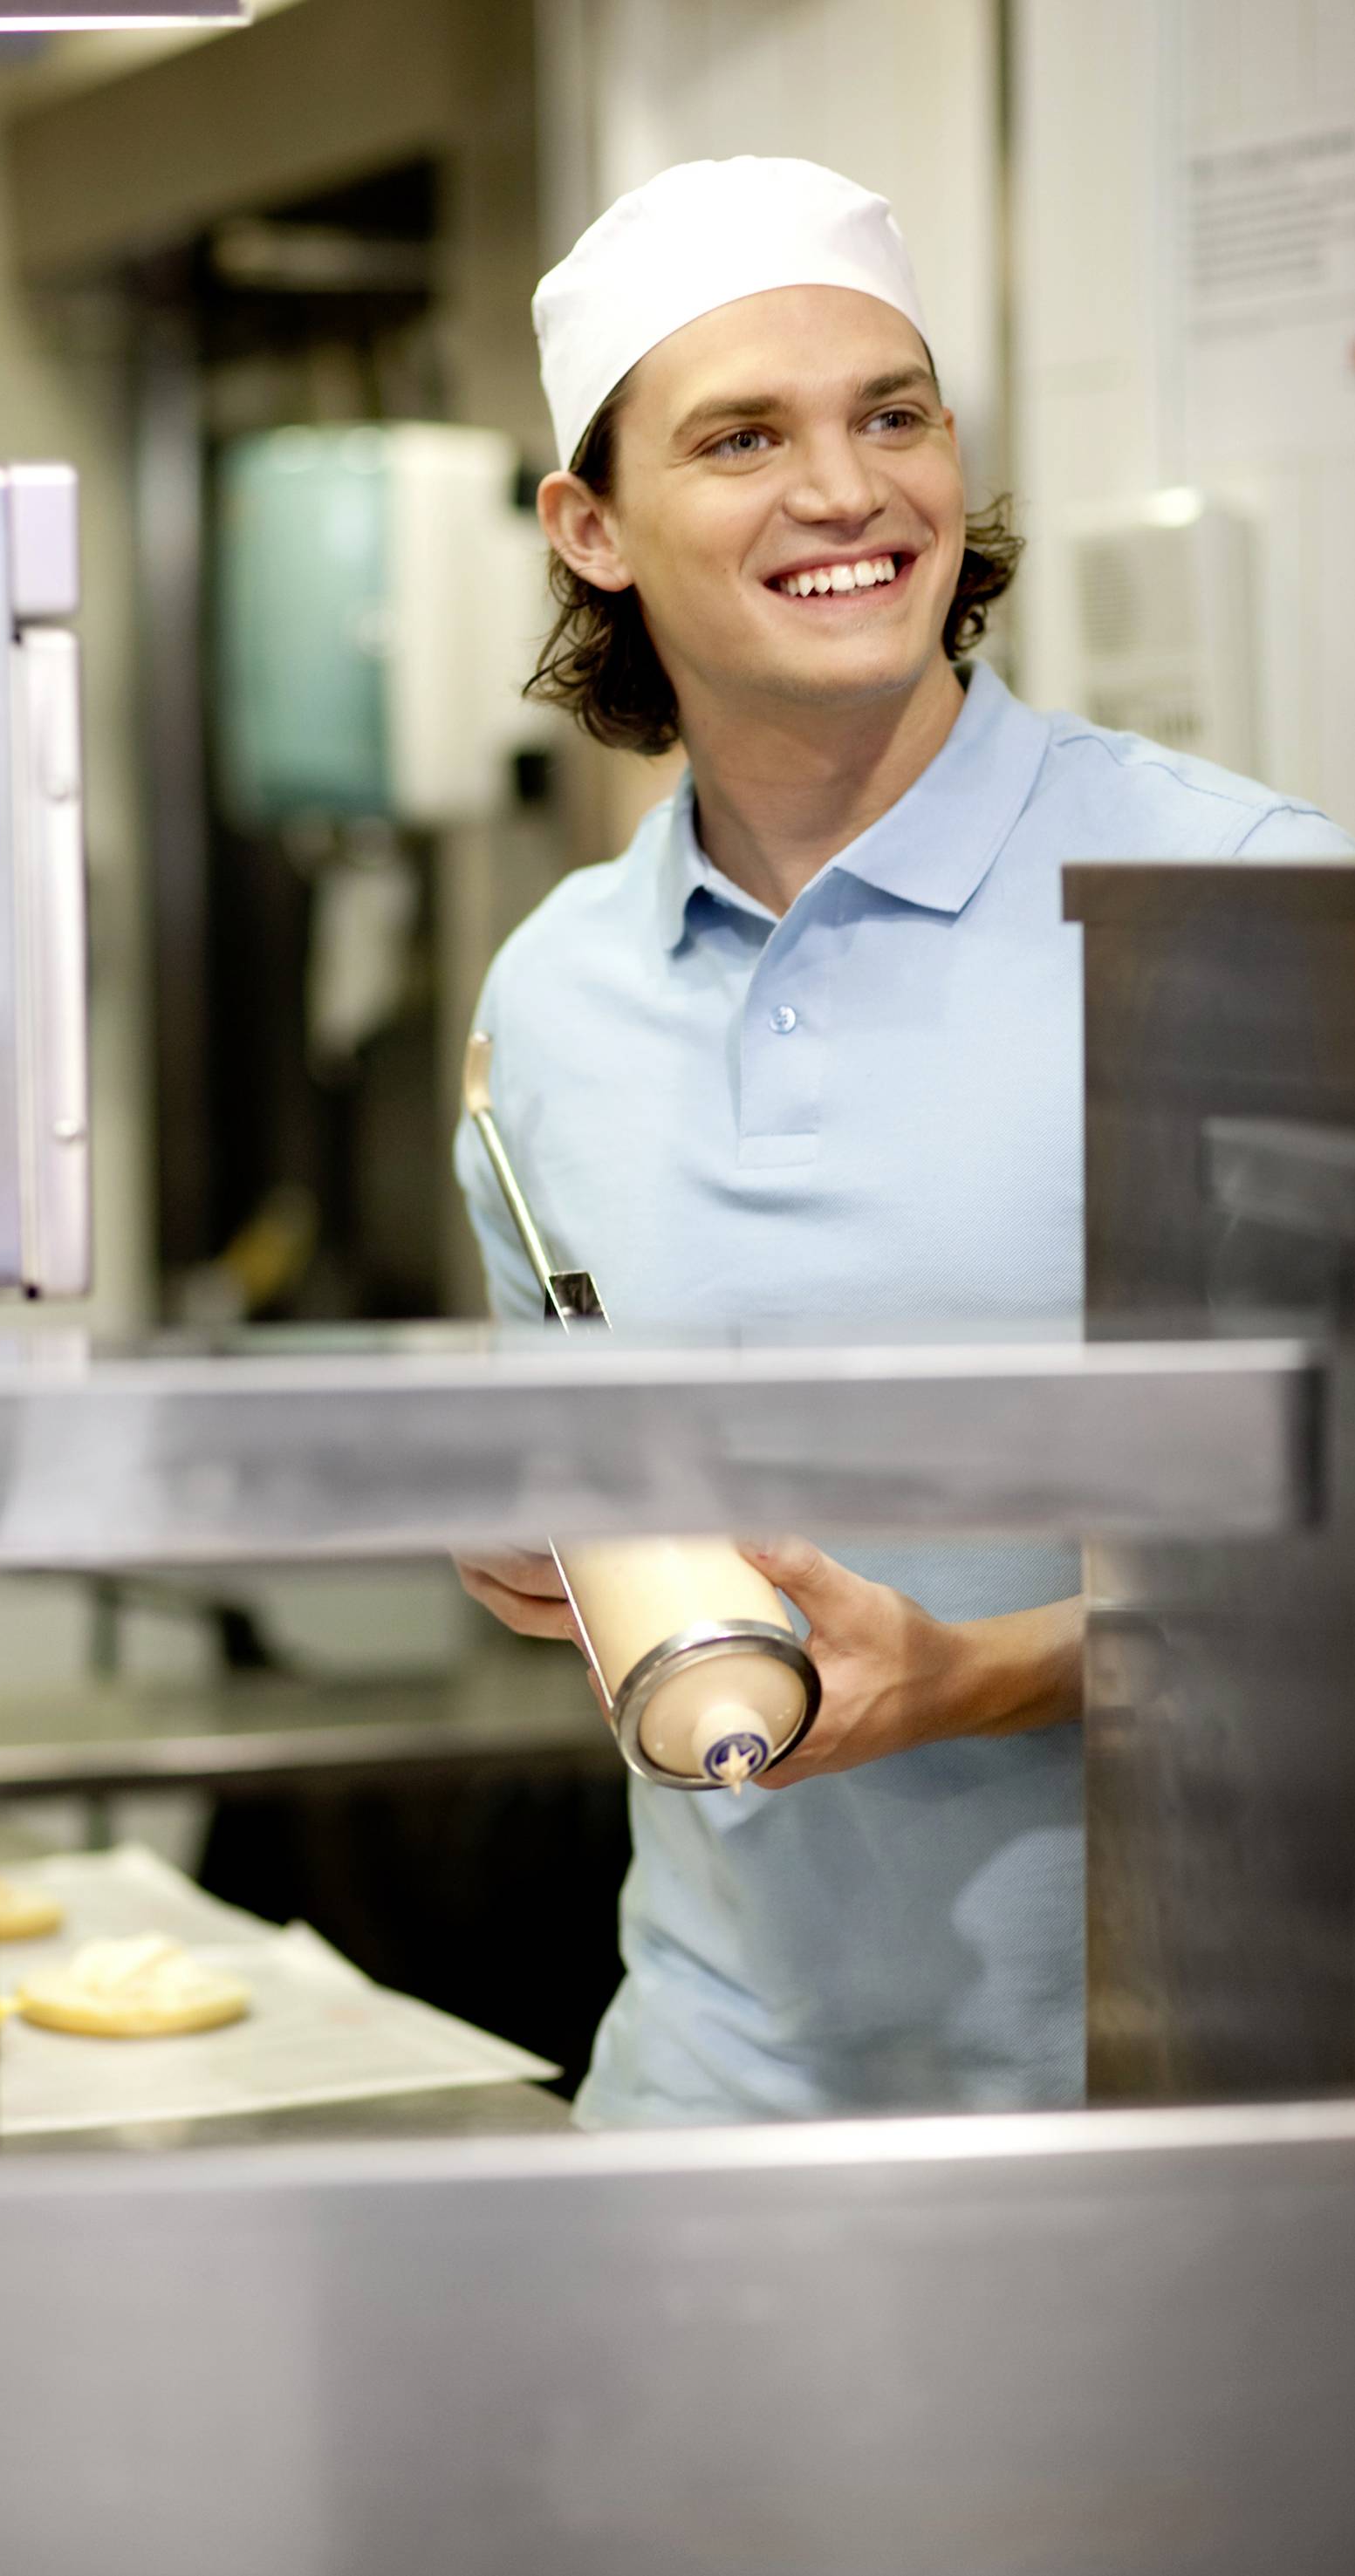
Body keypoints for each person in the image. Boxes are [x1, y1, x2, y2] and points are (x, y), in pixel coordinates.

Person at [452, 157, 1354, 2128]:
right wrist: (535, 1538)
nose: (846, 491)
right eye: (743, 436)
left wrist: (992, 1669)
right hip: (699, 2099)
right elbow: (594, 1477)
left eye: (893, 414)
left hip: (1172, 2114)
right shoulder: (551, 998)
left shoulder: (1235, 901)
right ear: (591, 527)